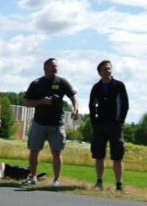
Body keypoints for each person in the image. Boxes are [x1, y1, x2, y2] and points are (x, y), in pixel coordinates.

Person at [23, 58, 79, 187]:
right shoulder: (36, 83)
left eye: (57, 66)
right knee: (34, 150)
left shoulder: (62, 82)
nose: (56, 68)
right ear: (45, 68)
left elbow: (73, 97)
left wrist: (75, 109)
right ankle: (32, 177)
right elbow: (27, 102)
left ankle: (56, 180)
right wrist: (42, 101)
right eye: (53, 66)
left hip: (57, 124)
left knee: (57, 152)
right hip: (39, 123)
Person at [88, 60, 129, 191]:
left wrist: (120, 121)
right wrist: (94, 121)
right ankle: (99, 182)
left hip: (115, 125)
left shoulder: (119, 85)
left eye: (109, 68)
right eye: (105, 69)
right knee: (99, 155)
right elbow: (91, 105)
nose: (108, 71)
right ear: (99, 72)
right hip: (100, 125)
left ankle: (119, 184)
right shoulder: (96, 87)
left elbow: (125, 105)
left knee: (118, 155)